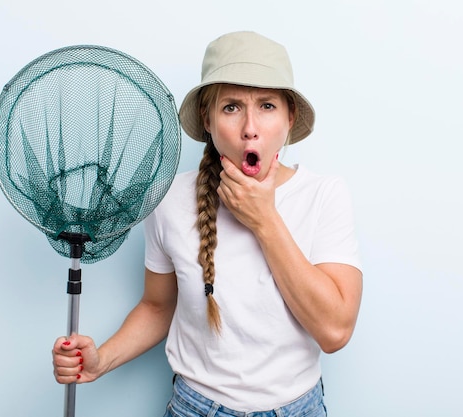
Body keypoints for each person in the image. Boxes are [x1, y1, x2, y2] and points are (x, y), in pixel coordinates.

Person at [52, 30, 363, 417]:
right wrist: (102, 360)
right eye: (231, 107)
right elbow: (156, 306)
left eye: (267, 106)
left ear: (289, 118)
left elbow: (335, 332)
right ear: (208, 119)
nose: (251, 127)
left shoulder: (324, 195)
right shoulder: (169, 201)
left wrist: (264, 219)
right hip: (195, 408)